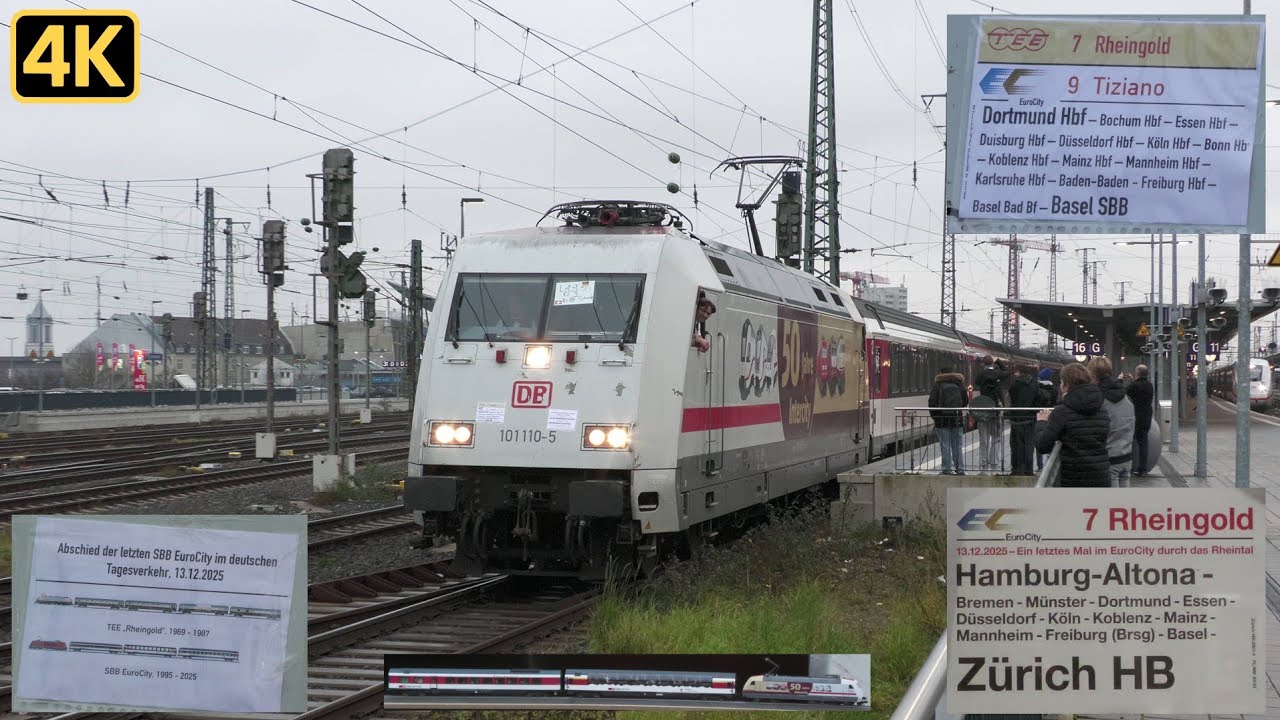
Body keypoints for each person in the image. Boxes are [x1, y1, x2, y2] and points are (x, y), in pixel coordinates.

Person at [1033, 362, 1111, 487]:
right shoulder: (1102, 409)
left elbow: (1043, 446)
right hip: (1102, 477)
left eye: (1061, 382)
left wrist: (1041, 422)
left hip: (1074, 479)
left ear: (1066, 385)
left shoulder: (1061, 412)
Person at [1089, 356, 1135, 488]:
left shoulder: (1097, 398)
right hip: (1126, 455)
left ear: (1093, 374)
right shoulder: (1126, 397)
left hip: (1109, 457)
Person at [928, 366, 969, 475]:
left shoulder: (937, 385)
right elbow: (965, 402)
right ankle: (960, 469)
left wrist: (935, 417)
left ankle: (946, 469)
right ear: (953, 372)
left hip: (942, 421)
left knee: (945, 445)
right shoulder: (959, 384)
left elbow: (932, 402)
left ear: (941, 373)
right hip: (957, 420)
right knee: (957, 446)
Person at [972, 356, 1009, 472]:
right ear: (992, 363)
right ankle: (994, 462)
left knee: (983, 438)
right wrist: (999, 362)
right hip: (996, 409)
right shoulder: (998, 374)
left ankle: (984, 463)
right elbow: (1007, 372)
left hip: (983, 409)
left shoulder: (981, 374)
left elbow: (977, 383)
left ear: (983, 364)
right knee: (996, 437)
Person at [1007, 365, 1039, 475]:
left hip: (1017, 419)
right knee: (1029, 446)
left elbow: (1012, 399)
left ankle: (1016, 470)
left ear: (1020, 373)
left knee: (1016, 446)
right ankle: (1028, 470)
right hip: (1030, 419)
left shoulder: (1015, 384)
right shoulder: (1035, 384)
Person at [1126, 364, 1155, 476]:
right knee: (1143, 442)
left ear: (1137, 373)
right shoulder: (1149, 385)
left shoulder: (1134, 386)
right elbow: (1139, 387)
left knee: (1129, 441)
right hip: (1147, 415)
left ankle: (1128, 466)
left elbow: (1124, 391)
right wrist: (1133, 381)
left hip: (1137, 416)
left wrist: (1121, 380)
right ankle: (1143, 468)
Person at [1034, 368, 1058, 472]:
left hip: (1040, 416)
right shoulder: (1054, 389)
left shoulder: (1037, 388)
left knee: (1039, 439)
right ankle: (1050, 464)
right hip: (1051, 416)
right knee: (1051, 439)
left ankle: (1040, 466)